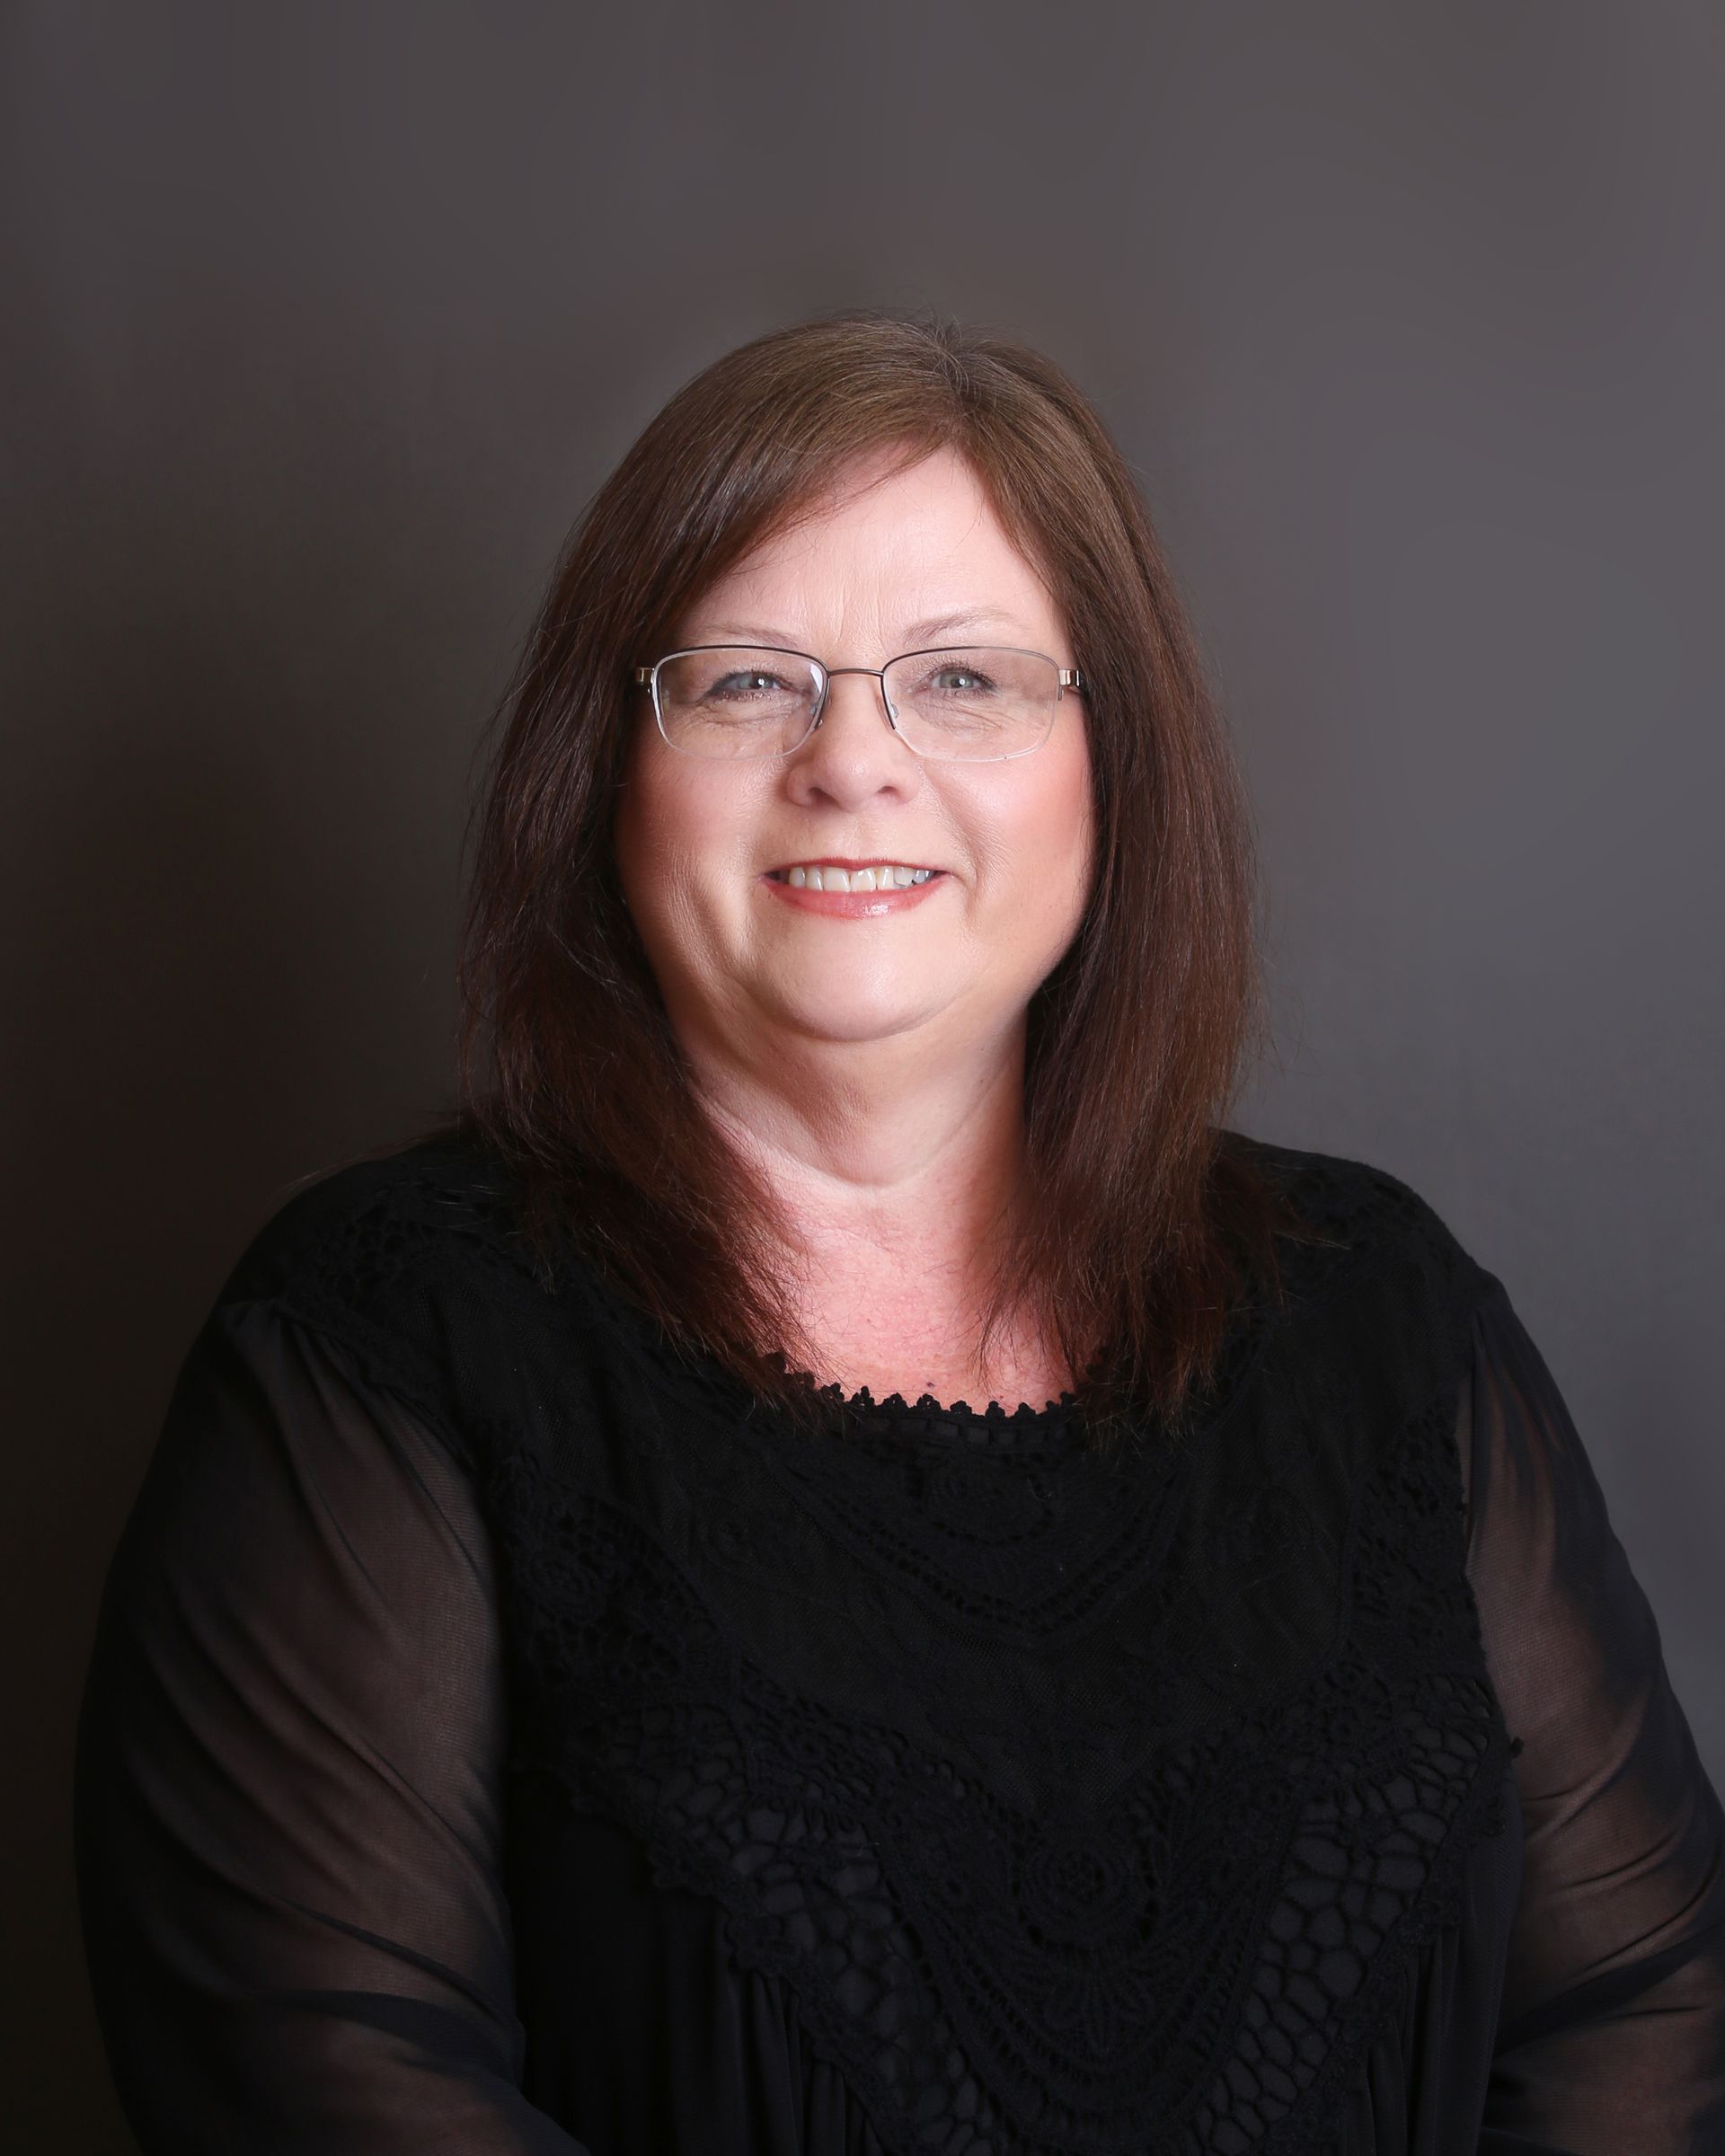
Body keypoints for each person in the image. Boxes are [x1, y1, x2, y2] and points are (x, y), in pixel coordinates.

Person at [75, 310, 1725, 2154]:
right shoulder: (381, 1352)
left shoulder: (1387, 1322)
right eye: (750, 680)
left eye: (963, 681)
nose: (853, 762)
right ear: (606, 772)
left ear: (1115, 770)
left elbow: (1639, 2006)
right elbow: (334, 2074)